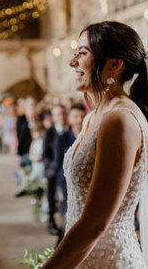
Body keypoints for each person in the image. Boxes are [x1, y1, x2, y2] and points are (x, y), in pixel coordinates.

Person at [42, 21, 148, 268]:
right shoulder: (95, 116)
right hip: (85, 258)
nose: (73, 62)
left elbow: (95, 223)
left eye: (82, 53)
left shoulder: (120, 120)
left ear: (114, 64)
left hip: (111, 260)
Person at [53, 103, 86, 242]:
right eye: (75, 116)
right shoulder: (62, 139)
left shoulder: (89, 137)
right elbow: (58, 166)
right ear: (69, 118)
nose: (79, 120)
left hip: (84, 187)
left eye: (82, 117)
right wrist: (59, 189)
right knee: (66, 226)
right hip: (66, 187)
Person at [42, 105, 67, 235]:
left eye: (63, 114)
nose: (61, 117)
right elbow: (45, 154)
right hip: (54, 169)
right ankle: (51, 220)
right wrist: (52, 168)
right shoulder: (50, 132)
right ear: (53, 117)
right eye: (58, 114)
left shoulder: (69, 131)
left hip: (67, 170)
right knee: (52, 191)